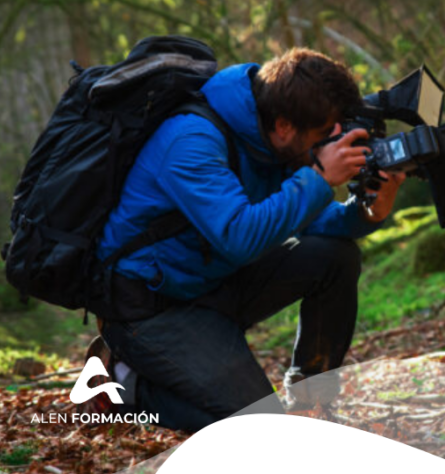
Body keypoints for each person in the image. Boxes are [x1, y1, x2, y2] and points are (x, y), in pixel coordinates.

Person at [82, 47, 405, 432]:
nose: (327, 144)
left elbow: (312, 221)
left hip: (214, 281)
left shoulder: (270, 136)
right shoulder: (191, 141)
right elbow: (240, 236)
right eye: (322, 135)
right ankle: (125, 384)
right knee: (259, 428)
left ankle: (311, 402)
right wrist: (319, 178)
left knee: (335, 257)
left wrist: (371, 209)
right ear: (285, 126)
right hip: (151, 310)